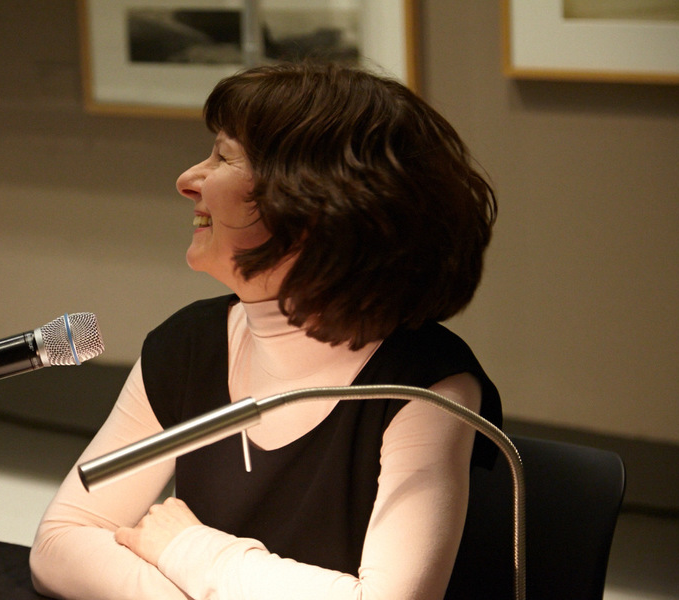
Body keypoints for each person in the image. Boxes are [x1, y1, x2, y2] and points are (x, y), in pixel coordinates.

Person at [30, 61, 501, 600]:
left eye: (223, 157)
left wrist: (189, 549)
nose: (187, 181)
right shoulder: (190, 345)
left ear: (313, 201)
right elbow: (59, 543)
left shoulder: (425, 385)